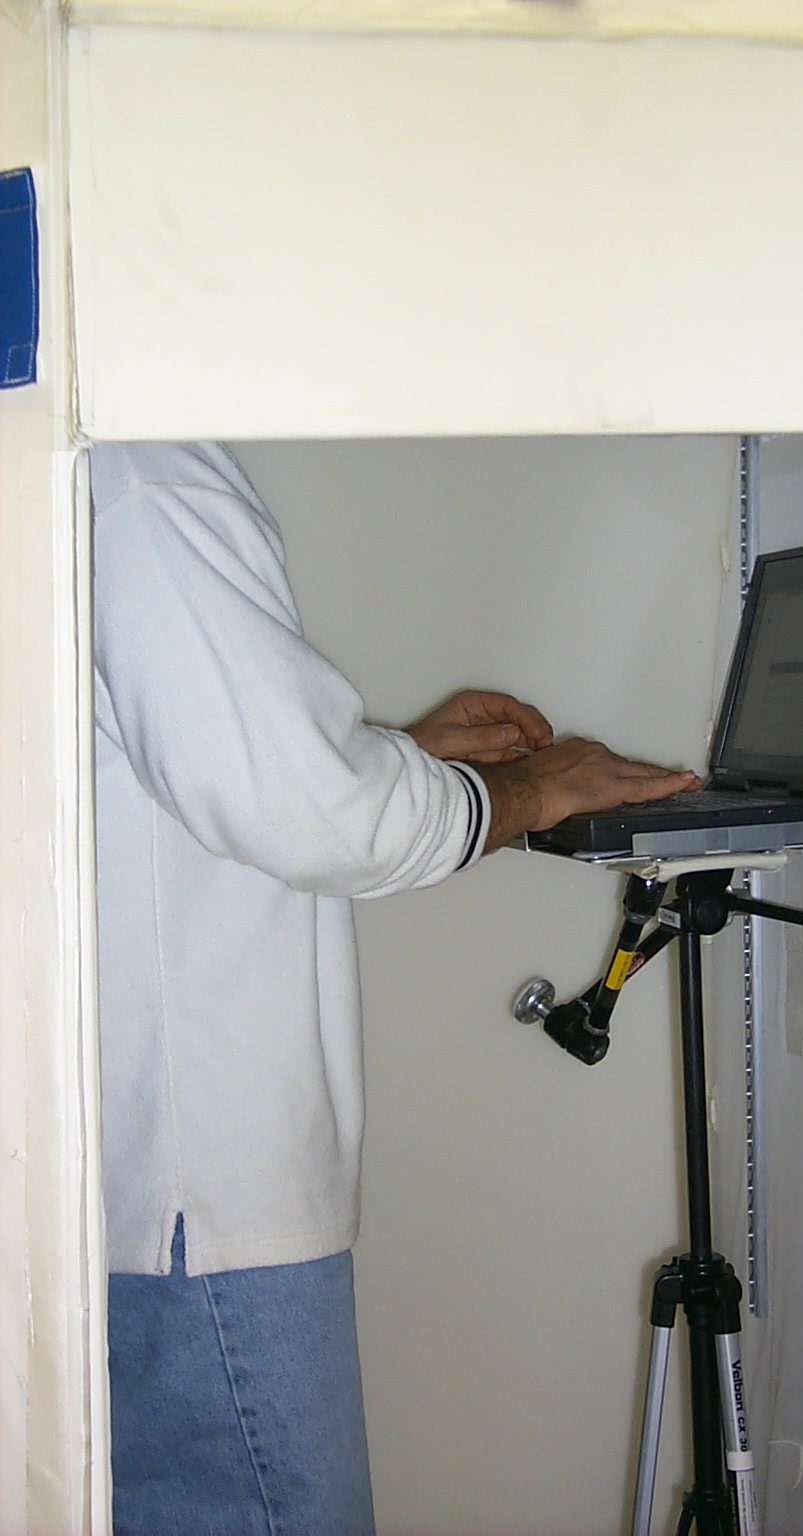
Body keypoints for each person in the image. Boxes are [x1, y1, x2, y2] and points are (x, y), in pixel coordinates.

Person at [92, 441, 698, 1536]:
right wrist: (527, 790)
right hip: (202, 1208)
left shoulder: (88, 462)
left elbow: (187, 778)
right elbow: (305, 811)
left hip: (148, 1197)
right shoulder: (143, 478)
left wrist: (401, 757)